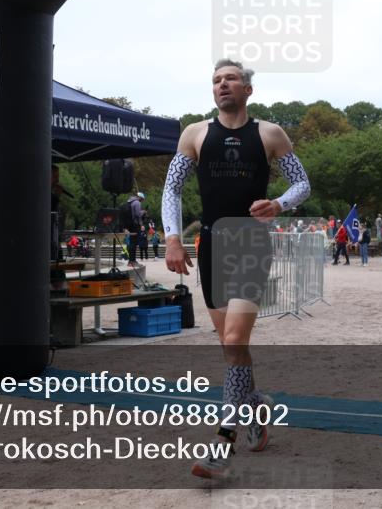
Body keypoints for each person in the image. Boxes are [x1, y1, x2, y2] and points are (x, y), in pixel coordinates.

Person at [161, 59, 310, 479]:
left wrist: (279, 203)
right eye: (216, 80)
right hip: (212, 245)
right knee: (231, 350)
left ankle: (223, 445)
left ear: (248, 89)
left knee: (233, 338)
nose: (222, 84)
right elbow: (172, 189)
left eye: (230, 79)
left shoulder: (270, 134)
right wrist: (172, 238)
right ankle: (256, 405)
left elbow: (302, 183)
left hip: (251, 244)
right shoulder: (194, 134)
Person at [125, 192, 145, 266]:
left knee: (132, 242)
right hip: (135, 225)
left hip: (130, 225)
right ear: (140, 198)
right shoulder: (137, 203)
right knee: (134, 243)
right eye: (142, 200)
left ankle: (131, 261)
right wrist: (143, 212)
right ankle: (132, 261)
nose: (142, 201)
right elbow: (138, 214)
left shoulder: (130, 202)